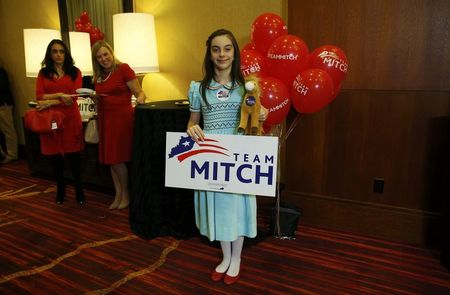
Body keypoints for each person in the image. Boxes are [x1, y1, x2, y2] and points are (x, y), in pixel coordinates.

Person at [186, 29, 267, 285]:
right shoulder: (199, 88)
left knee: (237, 208)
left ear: (235, 53)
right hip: (212, 156)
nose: (222, 54)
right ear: (210, 54)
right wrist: (191, 129)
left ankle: (237, 258)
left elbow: (254, 117)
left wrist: (262, 114)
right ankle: (225, 256)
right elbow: (192, 121)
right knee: (220, 210)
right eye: (216, 49)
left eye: (227, 48)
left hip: (238, 156)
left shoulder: (246, 87)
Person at [90, 40, 146, 210]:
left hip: (122, 119)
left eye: (106, 54)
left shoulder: (123, 69)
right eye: (99, 57)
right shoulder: (98, 76)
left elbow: (140, 93)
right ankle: (118, 194)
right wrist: (95, 99)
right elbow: (102, 99)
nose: (103, 59)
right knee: (110, 160)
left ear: (112, 53)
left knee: (117, 159)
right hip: (105, 119)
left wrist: (142, 107)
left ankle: (126, 194)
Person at [35, 39, 85, 204]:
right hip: (52, 121)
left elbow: (73, 98)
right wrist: (59, 96)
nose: (58, 55)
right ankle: (61, 189)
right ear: (50, 54)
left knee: (74, 157)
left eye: (61, 51)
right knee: (56, 158)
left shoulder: (75, 72)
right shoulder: (43, 73)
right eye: (55, 51)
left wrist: (49, 101)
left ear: (66, 53)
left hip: (71, 119)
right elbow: (39, 97)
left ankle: (79, 190)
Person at [0, 66, 18, 164]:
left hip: (3, 104)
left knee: (8, 130)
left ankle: (12, 154)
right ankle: (3, 153)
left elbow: (2, 87)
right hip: (3, 103)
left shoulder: (1, 72)